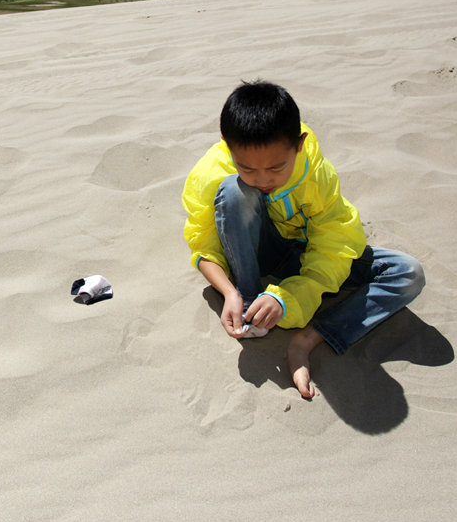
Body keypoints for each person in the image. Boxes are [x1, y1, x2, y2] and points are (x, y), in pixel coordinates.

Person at [181, 80, 425, 399]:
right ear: (227, 144)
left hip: (308, 253)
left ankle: (308, 339)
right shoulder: (210, 171)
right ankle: (251, 302)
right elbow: (204, 245)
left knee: (408, 273)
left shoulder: (316, 172)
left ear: (298, 144)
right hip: (261, 255)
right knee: (233, 190)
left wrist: (288, 299)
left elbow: (332, 244)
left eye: (276, 167)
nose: (263, 179)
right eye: (247, 167)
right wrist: (228, 293)